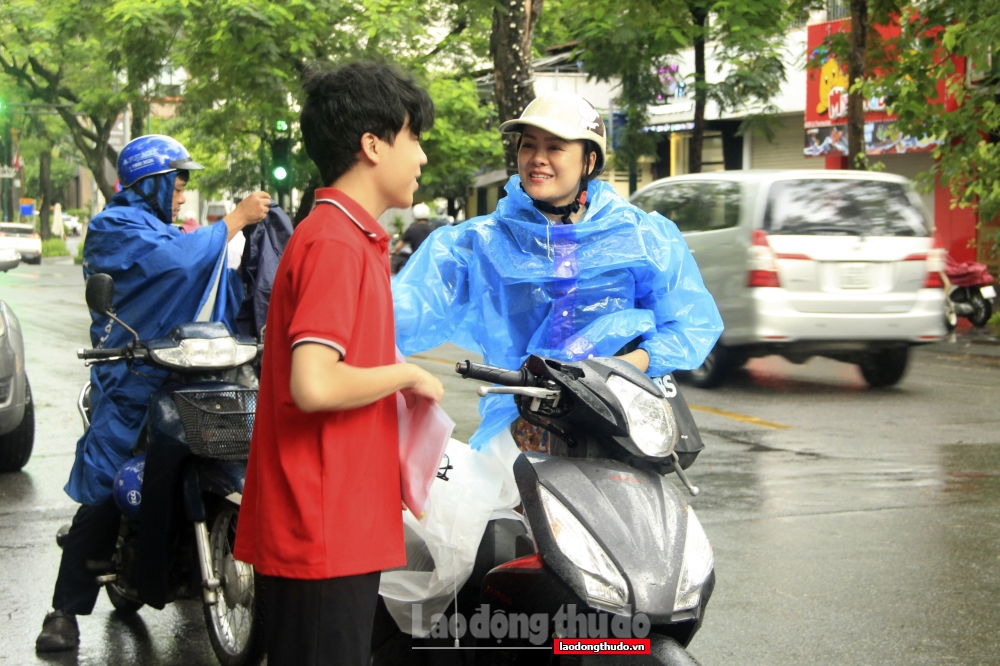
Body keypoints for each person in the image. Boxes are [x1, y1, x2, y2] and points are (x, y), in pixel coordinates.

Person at [381, 92, 723, 632]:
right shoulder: (479, 242)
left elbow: (694, 322)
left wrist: (632, 360)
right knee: (487, 569)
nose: (537, 158)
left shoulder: (643, 236)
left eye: (554, 147)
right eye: (528, 145)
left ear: (588, 159)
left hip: (612, 428)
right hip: (521, 429)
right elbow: (402, 311)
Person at [233, 61, 444, 666]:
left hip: (338, 522)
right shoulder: (333, 242)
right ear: (372, 145)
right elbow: (315, 384)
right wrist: (408, 375)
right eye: (414, 137)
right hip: (320, 527)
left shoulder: (352, 237)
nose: (422, 156)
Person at [34, 135, 270, 653]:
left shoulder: (166, 230)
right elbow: (172, 266)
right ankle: (64, 609)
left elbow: (204, 282)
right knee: (102, 490)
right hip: (131, 384)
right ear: (153, 181)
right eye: (178, 181)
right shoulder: (112, 228)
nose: (183, 192)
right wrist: (230, 222)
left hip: (188, 375)